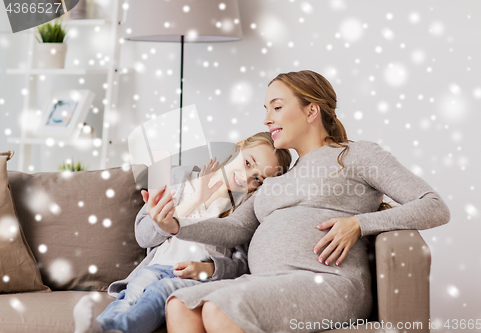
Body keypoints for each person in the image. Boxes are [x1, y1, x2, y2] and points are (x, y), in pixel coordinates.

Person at [147, 70, 451, 333]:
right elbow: (234, 230)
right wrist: (175, 224)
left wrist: (359, 224)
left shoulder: (356, 155)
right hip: (267, 283)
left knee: (218, 308)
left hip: (328, 282)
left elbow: (434, 205)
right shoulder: (275, 179)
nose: (267, 119)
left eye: (276, 107)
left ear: (311, 111)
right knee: (180, 306)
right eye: (266, 109)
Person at [72, 131, 292, 333]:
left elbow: (242, 265)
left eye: (257, 178)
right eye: (247, 163)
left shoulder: (245, 210)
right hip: (157, 267)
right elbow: (143, 236)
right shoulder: (180, 177)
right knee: (133, 293)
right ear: (239, 146)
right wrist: (195, 200)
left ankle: (108, 329)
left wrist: (207, 269)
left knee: (162, 290)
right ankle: (101, 327)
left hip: (196, 280)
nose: (246, 177)